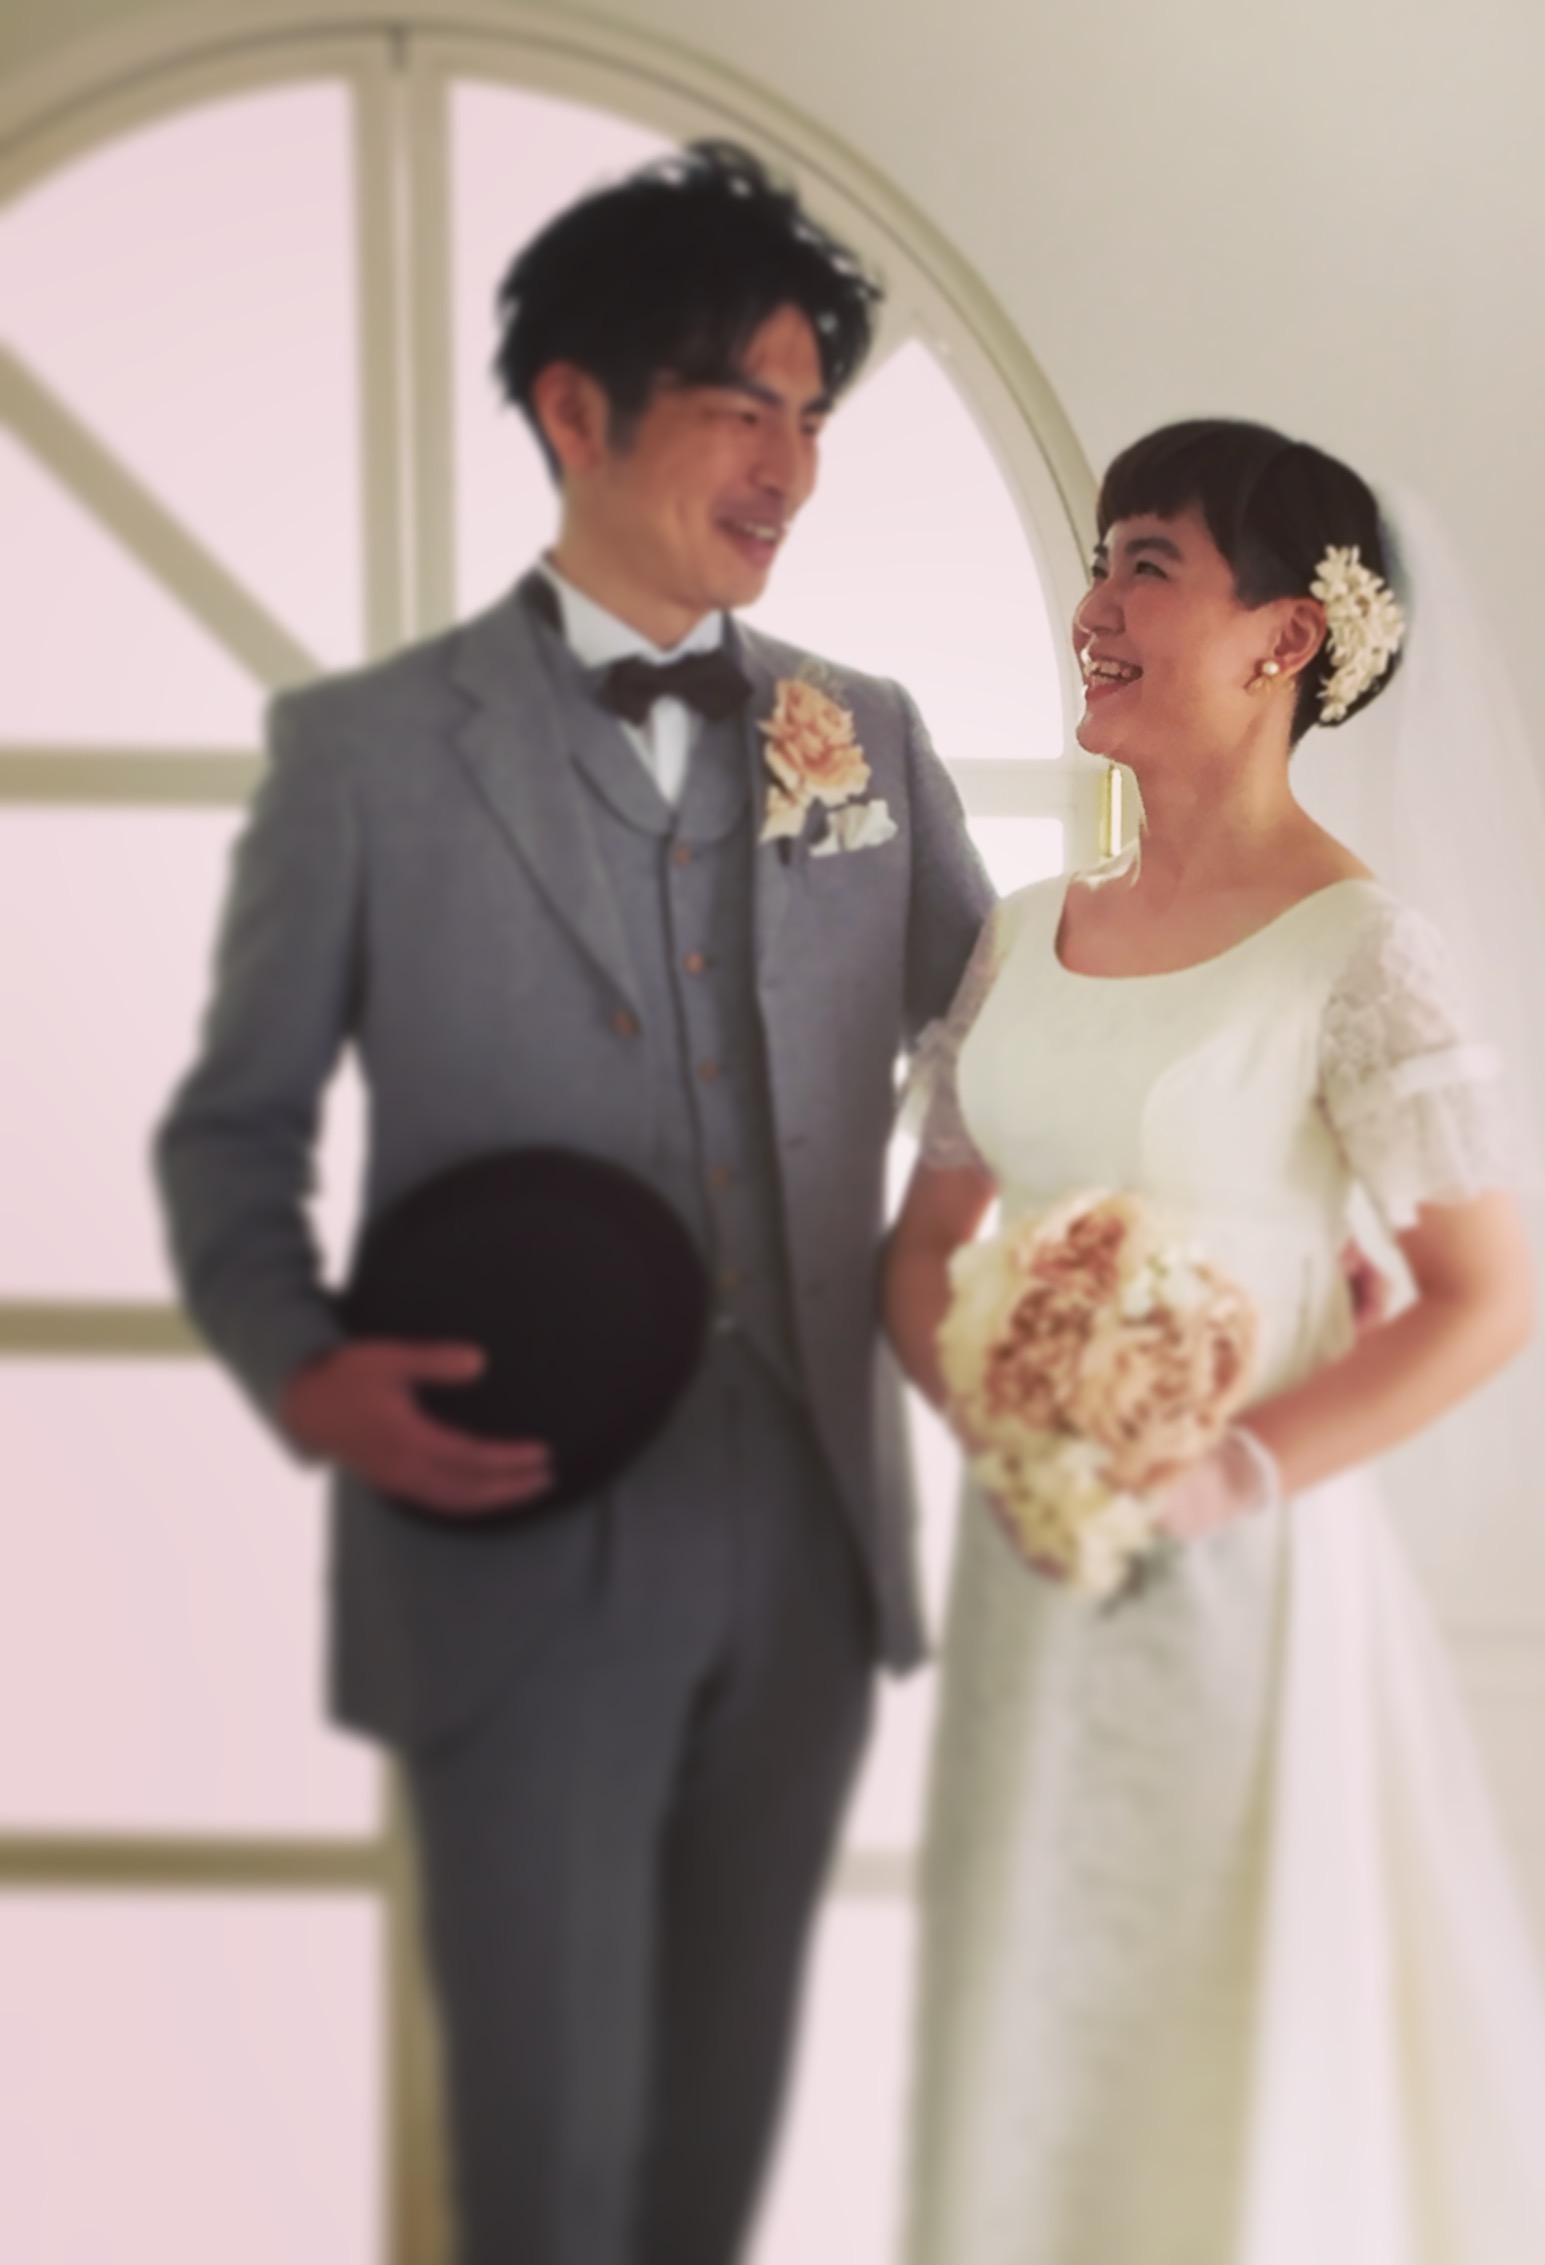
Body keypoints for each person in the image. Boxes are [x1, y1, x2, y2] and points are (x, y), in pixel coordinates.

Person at [156, 143, 992, 2265]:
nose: (790, 463)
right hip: (510, 1536)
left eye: (813, 414)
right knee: (544, 2168)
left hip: (802, 1541)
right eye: (741, 404)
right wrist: (304, 1367)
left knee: (708, 2163)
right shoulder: (363, 757)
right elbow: (230, 1133)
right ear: (576, 409)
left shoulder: (867, 736)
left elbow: (1018, 1056)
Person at [885, 421, 1545, 2263]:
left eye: (1147, 564)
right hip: (1024, 1570)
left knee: (1209, 2033)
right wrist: (1011, 1430)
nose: (1093, 608)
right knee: (1025, 2016)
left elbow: (1482, 1298)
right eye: (1097, 563)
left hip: (1237, 1579)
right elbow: (920, 1255)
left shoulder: (1355, 951)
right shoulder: (1022, 937)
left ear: (1284, 638)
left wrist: (1225, 1472)